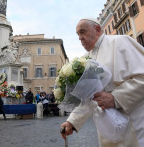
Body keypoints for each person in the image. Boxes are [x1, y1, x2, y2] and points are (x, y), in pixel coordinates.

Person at [61, 18, 144, 146]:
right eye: (78, 34)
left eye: (83, 32)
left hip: (134, 126)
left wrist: (115, 98)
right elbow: (88, 98)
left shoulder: (120, 42)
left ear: (98, 30)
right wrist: (72, 121)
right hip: (107, 133)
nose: (80, 38)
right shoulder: (86, 59)